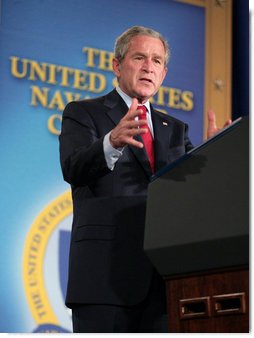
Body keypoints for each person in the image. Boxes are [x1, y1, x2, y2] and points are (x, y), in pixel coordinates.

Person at [59, 25, 231, 333]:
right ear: (117, 64)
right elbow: (73, 168)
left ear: (164, 73)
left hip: (165, 279)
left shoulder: (175, 129)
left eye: (156, 61)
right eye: (139, 57)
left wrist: (214, 155)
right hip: (104, 278)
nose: (148, 67)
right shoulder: (84, 112)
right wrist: (112, 141)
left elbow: (192, 193)